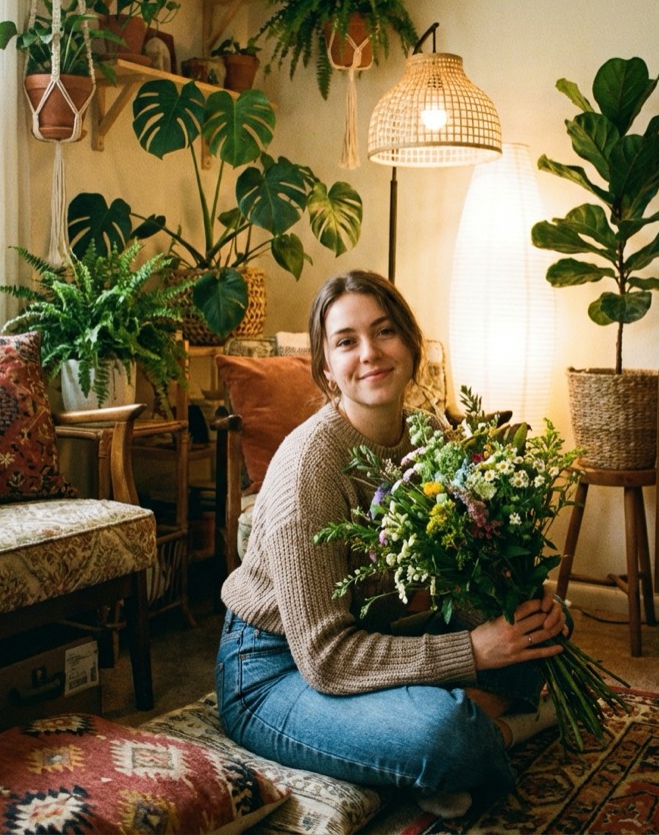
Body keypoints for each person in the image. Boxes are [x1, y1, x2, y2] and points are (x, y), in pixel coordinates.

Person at [217, 270, 569, 817]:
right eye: (346, 342)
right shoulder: (310, 464)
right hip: (274, 671)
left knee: (548, 628)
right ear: (327, 368)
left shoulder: (429, 434)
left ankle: (451, 733)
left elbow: (462, 570)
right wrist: (475, 651)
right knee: (444, 735)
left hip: (376, 637)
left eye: (384, 332)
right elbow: (326, 659)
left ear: (409, 342)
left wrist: (522, 607)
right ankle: (498, 728)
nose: (370, 354)